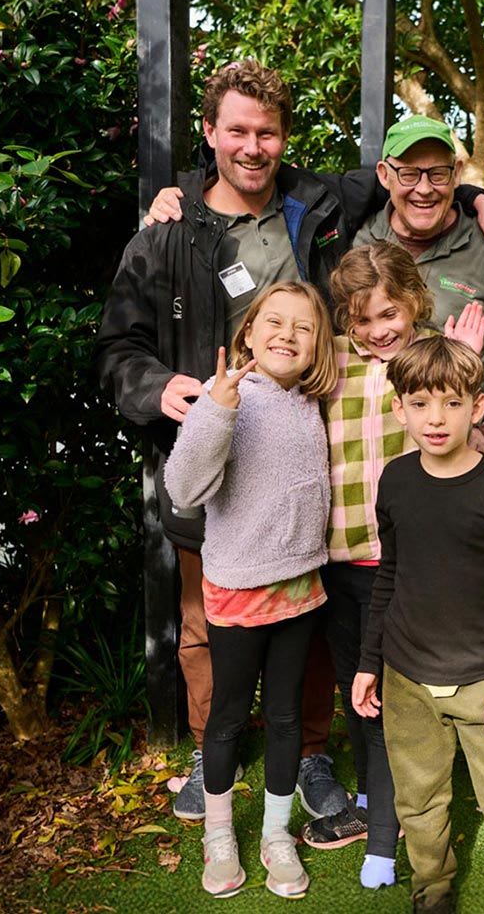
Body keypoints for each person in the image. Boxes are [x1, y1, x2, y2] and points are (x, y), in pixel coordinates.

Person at [95, 60, 484, 822]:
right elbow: (116, 348)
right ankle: (207, 751)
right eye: (237, 132)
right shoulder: (167, 230)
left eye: (267, 133)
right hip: (213, 448)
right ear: (210, 134)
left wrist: (473, 193)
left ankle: (315, 757)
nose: (253, 148)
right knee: (204, 618)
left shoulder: (317, 201)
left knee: (310, 613)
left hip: (307, 449)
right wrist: (158, 389)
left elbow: (407, 176)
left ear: (283, 139)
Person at [351, 337, 484, 914]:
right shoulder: (395, 480)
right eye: (420, 403)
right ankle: (433, 889)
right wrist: (370, 663)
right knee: (419, 799)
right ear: (400, 409)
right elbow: (388, 576)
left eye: (450, 402)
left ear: (478, 404)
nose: (435, 418)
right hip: (406, 675)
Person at [299, 243, 484, 882]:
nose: (380, 331)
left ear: (414, 303)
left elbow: (469, 441)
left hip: (407, 563)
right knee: (358, 687)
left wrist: (469, 365)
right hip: (342, 556)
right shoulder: (333, 365)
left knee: (398, 696)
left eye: (390, 314)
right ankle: (380, 792)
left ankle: (387, 831)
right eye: (364, 320)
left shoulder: (431, 359)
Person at [161, 282, 339, 899]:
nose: (287, 334)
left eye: (304, 327)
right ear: (247, 335)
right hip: (237, 588)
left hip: (299, 586)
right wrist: (217, 409)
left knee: (286, 716)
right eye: (274, 322)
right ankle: (219, 836)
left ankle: (276, 834)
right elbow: (184, 488)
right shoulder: (229, 397)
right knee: (229, 718)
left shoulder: (311, 404)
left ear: (319, 347)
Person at [352, 115, 484, 454]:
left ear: (457, 174)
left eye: (437, 174)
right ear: (385, 175)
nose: (424, 188)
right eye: (409, 173)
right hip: (371, 460)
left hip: (460, 457)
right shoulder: (361, 241)